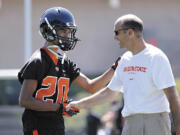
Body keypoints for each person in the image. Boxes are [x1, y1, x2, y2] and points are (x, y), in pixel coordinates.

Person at [67, 14, 180, 135]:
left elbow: (172, 96)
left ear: (130, 32)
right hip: (130, 123)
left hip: (155, 122)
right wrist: (79, 104)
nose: (115, 37)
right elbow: (109, 93)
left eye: (117, 32)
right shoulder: (124, 60)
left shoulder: (156, 57)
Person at [18, 7, 120, 135]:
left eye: (69, 32)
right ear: (48, 30)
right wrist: (59, 107)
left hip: (57, 126)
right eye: (63, 31)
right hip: (37, 127)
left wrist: (115, 68)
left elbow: (91, 86)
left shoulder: (65, 62)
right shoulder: (38, 61)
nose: (67, 35)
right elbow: (25, 100)